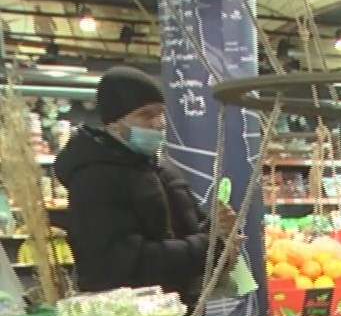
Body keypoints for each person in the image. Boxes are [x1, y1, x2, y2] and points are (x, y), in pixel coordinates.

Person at [55, 65, 237, 303]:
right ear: (114, 123)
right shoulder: (94, 180)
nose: (159, 123)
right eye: (146, 115)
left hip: (181, 311)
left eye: (161, 113)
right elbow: (118, 263)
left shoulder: (164, 170)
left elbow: (192, 226)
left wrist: (220, 228)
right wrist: (208, 247)